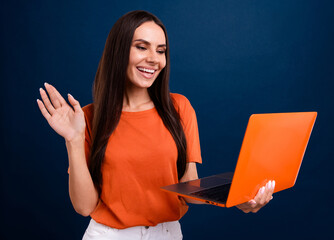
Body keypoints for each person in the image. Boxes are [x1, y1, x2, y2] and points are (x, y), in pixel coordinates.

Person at [37, 10, 275, 240]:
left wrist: (236, 197)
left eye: (161, 51)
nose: (154, 59)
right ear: (118, 51)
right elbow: (84, 206)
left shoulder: (179, 108)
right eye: (141, 47)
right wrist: (73, 140)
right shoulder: (88, 118)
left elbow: (188, 188)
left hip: (168, 234)